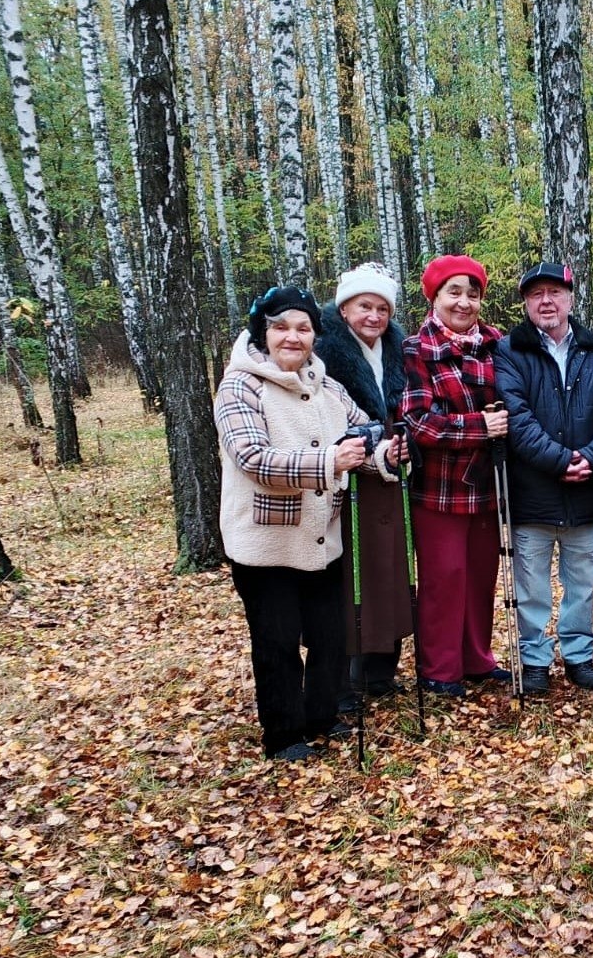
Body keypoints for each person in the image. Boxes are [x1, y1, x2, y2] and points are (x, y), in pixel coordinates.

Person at [215, 287, 404, 761]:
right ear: (263, 331)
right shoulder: (240, 386)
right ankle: (283, 734)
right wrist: (330, 460)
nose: (293, 337)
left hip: (322, 538)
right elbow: (254, 459)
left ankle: (322, 715)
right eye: (281, 327)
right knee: (277, 640)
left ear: (315, 336)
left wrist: (383, 453)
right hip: (265, 542)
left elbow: (362, 432)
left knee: (329, 635)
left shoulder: (327, 385)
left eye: (303, 328)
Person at [494, 262, 593, 694]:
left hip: (587, 490)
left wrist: (591, 457)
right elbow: (516, 417)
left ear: (571, 297)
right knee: (531, 585)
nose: (546, 301)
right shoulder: (510, 350)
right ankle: (533, 660)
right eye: (536, 295)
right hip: (532, 492)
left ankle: (578, 655)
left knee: (583, 581)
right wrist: (559, 460)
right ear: (526, 303)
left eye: (555, 292)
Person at [400, 255, 511, 697]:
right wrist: (478, 426)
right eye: (454, 293)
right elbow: (418, 422)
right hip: (440, 488)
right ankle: (440, 668)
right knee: (445, 576)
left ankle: (477, 658)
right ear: (434, 297)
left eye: (473, 294)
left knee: (481, 575)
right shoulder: (415, 348)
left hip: (489, 483)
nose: (464, 303)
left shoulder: (498, 344)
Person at [315, 263, 411, 708]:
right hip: (343, 470)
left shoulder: (398, 350)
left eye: (381, 308)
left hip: (390, 465)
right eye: (363, 306)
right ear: (344, 307)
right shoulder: (324, 350)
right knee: (351, 571)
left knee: (387, 565)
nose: (373, 316)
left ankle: (380, 669)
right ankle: (345, 672)